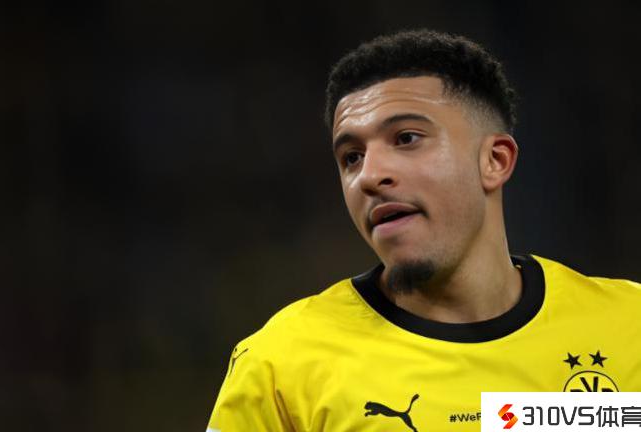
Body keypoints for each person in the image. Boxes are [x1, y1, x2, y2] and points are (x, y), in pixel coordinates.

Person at [206, 29, 641, 432]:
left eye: (407, 138)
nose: (369, 176)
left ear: (495, 161)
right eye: (352, 157)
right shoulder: (281, 366)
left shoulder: (629, 325)